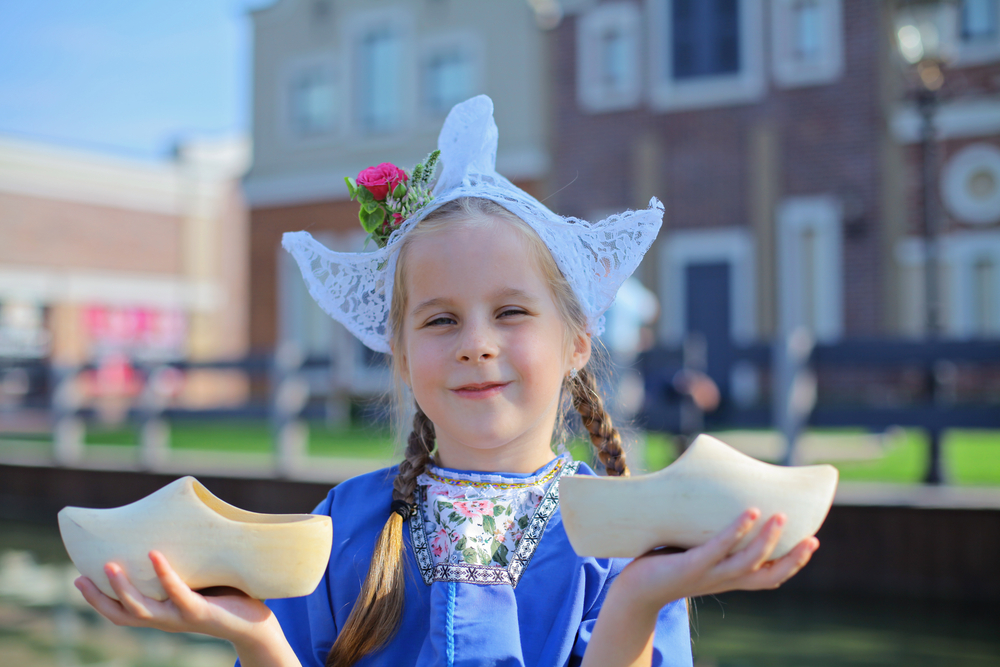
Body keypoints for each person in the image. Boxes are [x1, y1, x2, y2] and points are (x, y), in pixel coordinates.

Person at [73, 96, 818, 667]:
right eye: (440, 321)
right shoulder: (343, 525)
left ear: (577, 341)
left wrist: (638, 595)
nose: (477, 345)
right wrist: (257, 637)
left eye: (512, 311)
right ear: (398, 352)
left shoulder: (633, 542)